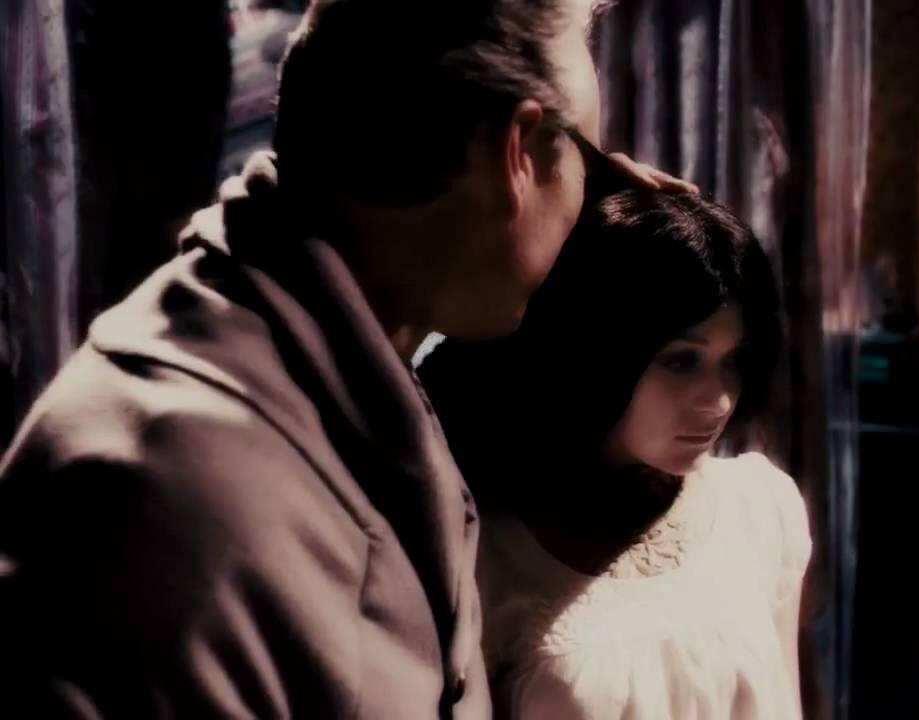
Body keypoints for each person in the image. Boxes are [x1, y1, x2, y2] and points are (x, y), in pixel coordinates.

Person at [0, 1, 690, 716]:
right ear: (518, 154)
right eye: (590, 164)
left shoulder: (327, 352)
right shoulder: (177, 499)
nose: (595, 198)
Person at [420, 187, 812, 719]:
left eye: (734, 361)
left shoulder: (760, 509)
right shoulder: (485, 551)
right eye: (682, 362)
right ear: (605, 354)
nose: (719, 400)